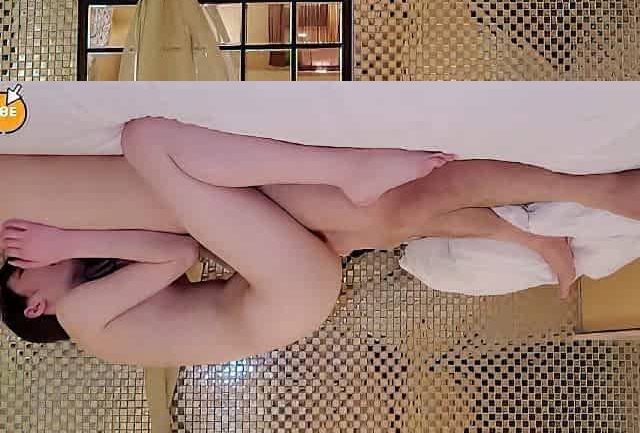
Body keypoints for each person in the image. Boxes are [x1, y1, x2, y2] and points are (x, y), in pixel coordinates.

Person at [1, 117, 638, 367]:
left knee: (398, 216)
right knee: (147, 140)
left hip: (283, 297)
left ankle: (537, 232)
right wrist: (65, 236)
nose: (23, 255)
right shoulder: (84, 317)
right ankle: (595, 192)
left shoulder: (105, 316)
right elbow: (179, 253)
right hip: (279, 296)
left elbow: (174, 249)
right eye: (19, 267)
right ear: (35, 306)